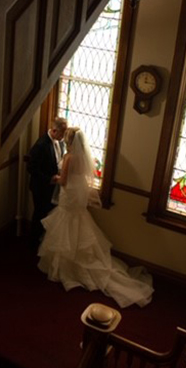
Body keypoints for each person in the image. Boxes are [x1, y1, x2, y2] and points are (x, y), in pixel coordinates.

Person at [38, 127, 153, 308]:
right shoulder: (84, 157)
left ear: (68, 141)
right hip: (78, 194)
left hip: (69, 194)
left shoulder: (69, 157)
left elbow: (64, 180)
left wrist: (54, 178)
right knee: (79, 220)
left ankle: (66, 268)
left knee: (66, 222)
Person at [27, 117, 67, 247]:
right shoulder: (41, 145)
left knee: (49, 214)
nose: (64, 137)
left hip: (52, 188)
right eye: (62, 133)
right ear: (54, 130)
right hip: (40, 187)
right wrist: (49, 179)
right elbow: (31, 168)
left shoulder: (60, 143)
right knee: (39, 214)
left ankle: (44, 241)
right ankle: (33, 242)